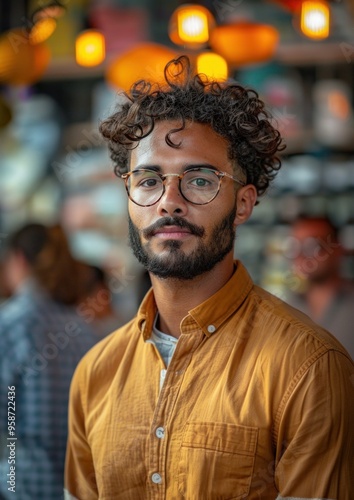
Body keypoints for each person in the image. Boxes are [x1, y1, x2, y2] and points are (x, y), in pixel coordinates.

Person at [65, 56, 354, 499]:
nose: (168, 202)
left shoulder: (308, 368)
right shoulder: (95, 373)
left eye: (199, 180)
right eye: (147, 180)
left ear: (243, 204)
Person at [0, 222, 98, 499]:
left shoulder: (10, 323)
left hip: (20, 486)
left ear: (18, 259)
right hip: (75, 489)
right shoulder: (85, 329)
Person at [285, 215, 354, 359]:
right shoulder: (287, 308)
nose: (301, 255)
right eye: (294, 246)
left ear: (337, 248)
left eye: (312, 246)